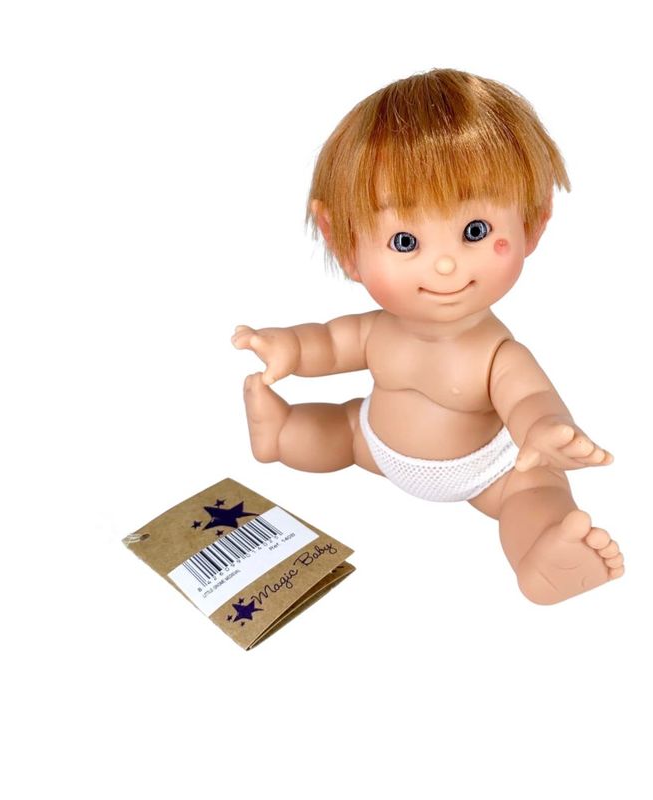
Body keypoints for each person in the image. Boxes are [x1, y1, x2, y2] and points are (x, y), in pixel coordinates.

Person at [232, 68, 624, 604]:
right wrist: (287, 348)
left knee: (535, 490)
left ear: (532, 223)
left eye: (474, 232)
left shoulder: (497, 353)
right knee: (332, 431)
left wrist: (544, 430)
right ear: (344, 244)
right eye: (404, 240)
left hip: (486, 472)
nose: (444, 264)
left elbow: (529, 397)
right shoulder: (377, 330)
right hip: (373, 445)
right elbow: (328, 343)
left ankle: (543, 554)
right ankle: (279, 433)